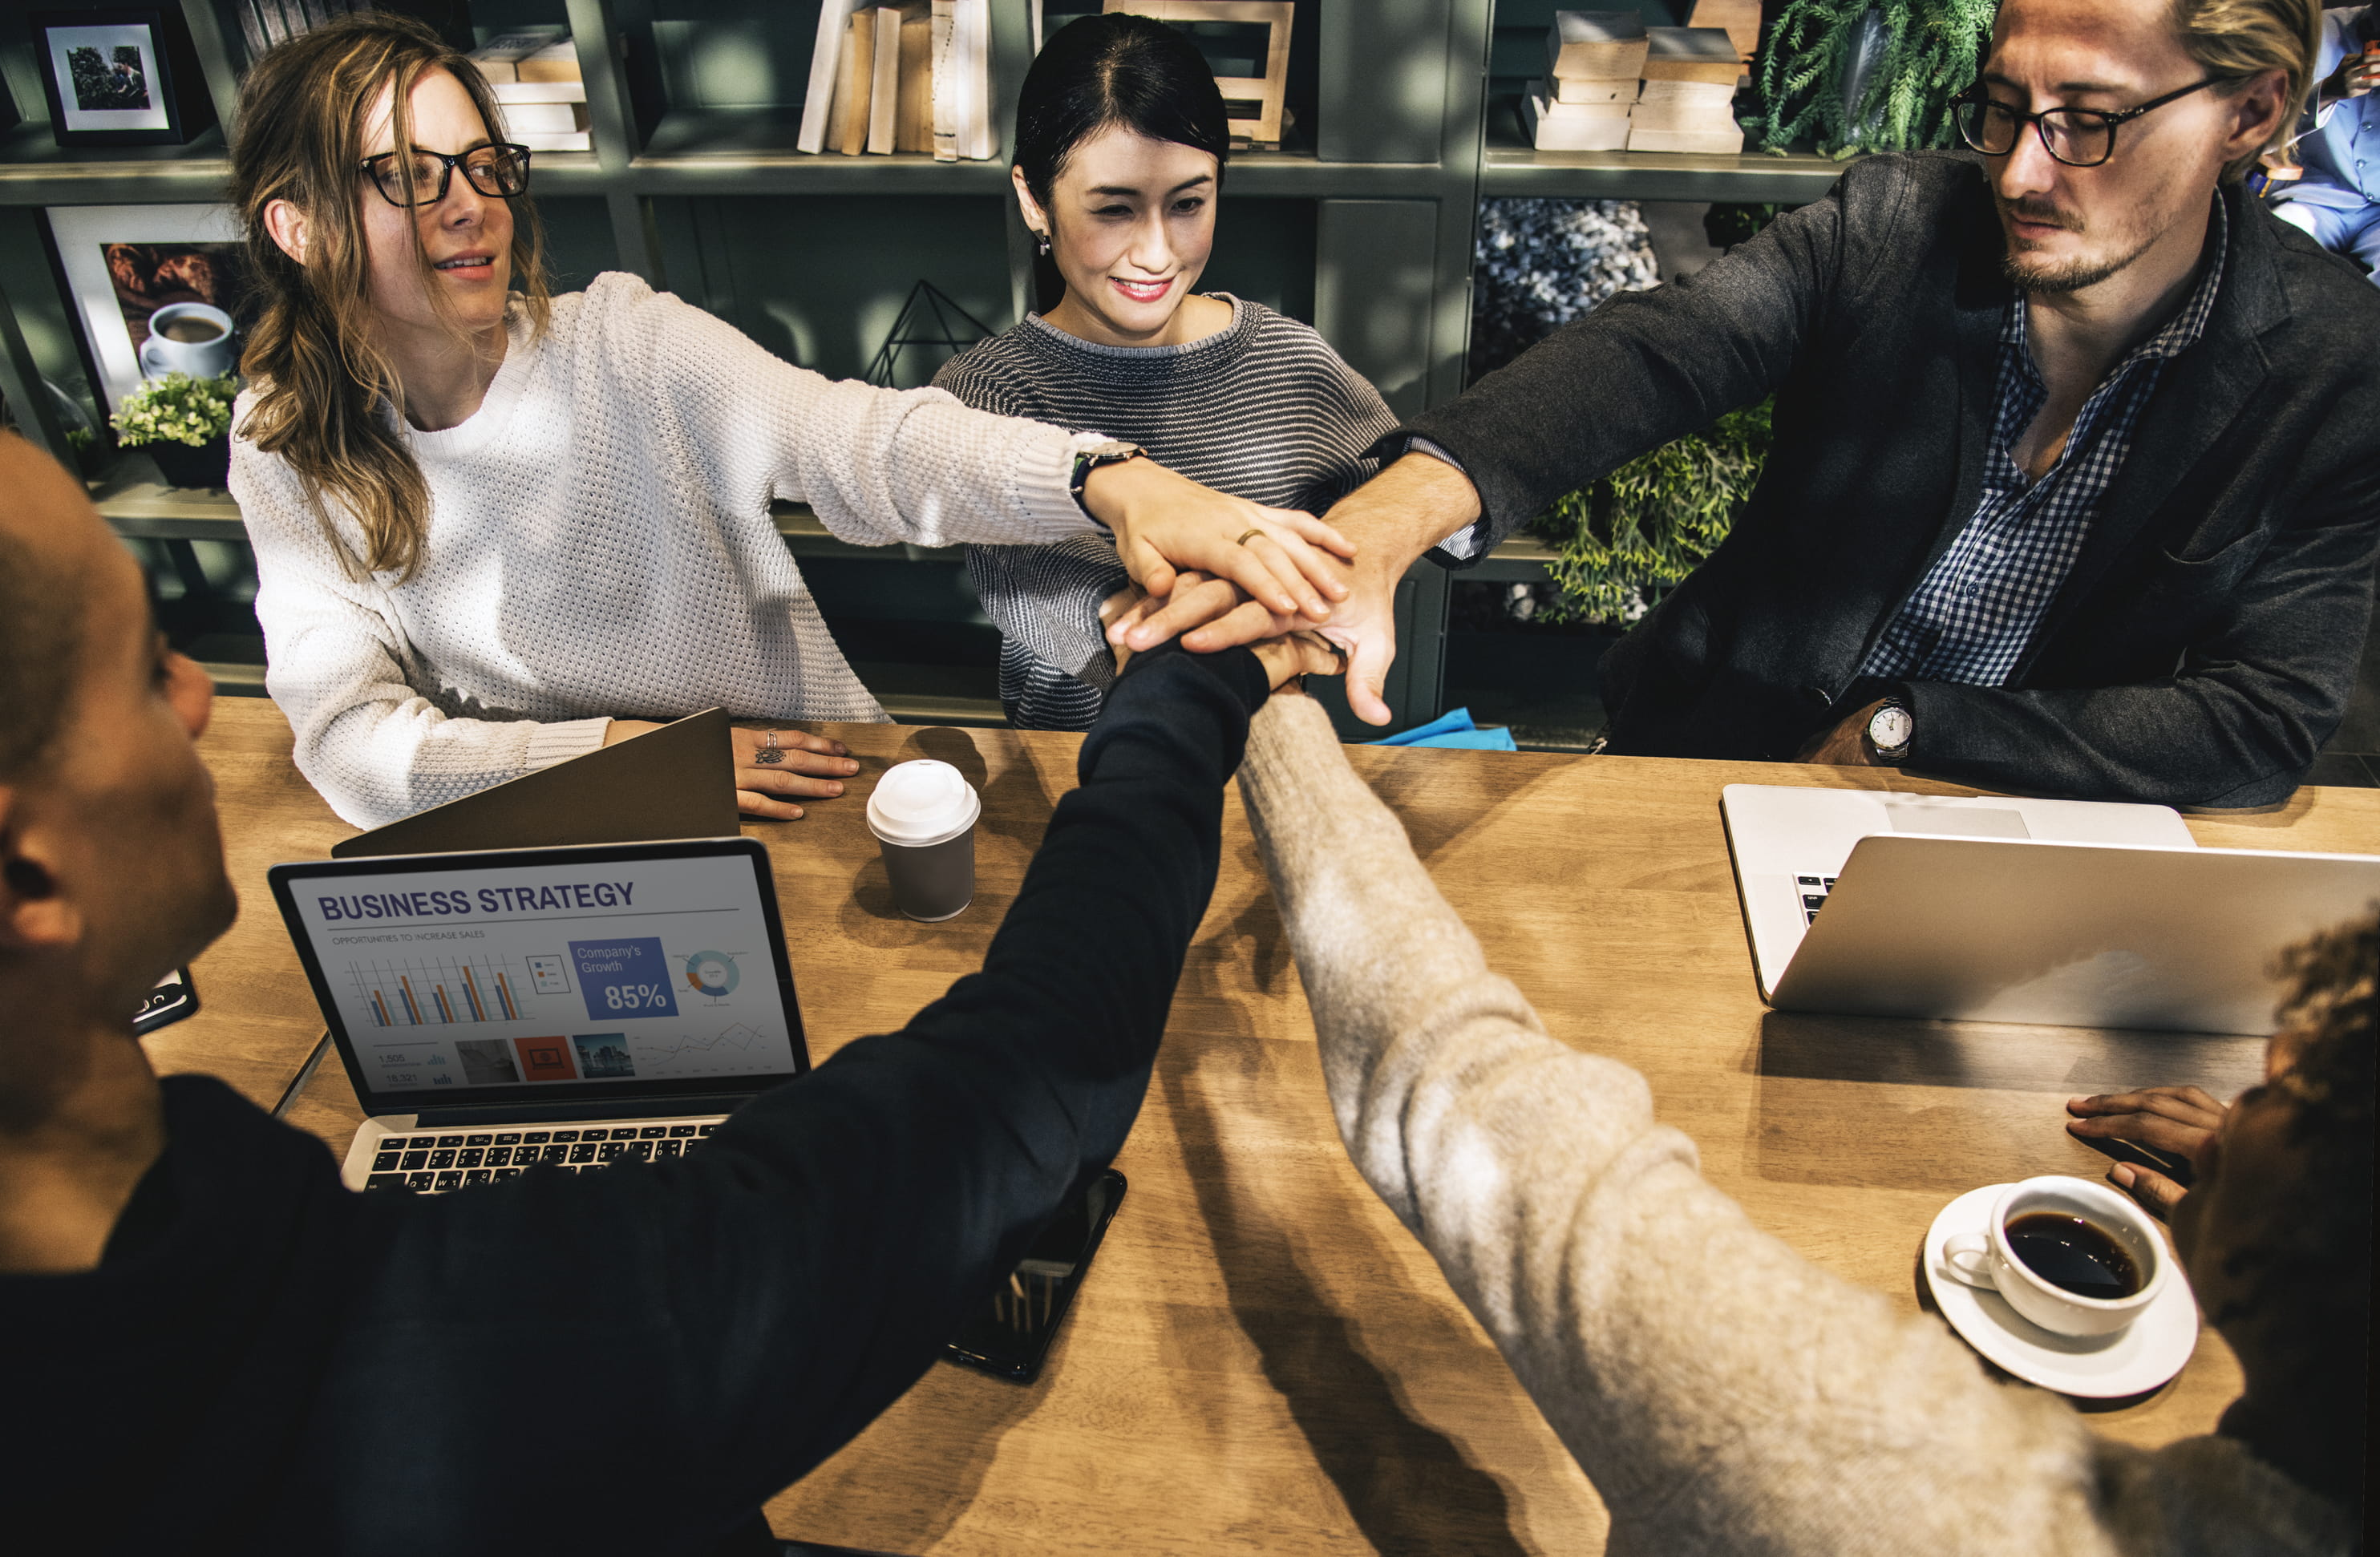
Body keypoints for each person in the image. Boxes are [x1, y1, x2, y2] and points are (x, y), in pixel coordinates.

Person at [0, 415, 1340, 1552]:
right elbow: (1028, 1074)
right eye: (140, 669)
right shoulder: (461, 1367)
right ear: (22, 876)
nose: (199, 695)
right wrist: (1180, 695)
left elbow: (851, 431)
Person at [1121, 0, 2380, 809]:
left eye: (2089, 123)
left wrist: (1904, 730)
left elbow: (2267, 716)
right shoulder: (1897, 220)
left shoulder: (2332, 362)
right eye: (2003, 106)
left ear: (2251, 112)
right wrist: (1380, 532)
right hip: (1711, 771)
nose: (2020, 169)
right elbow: (1657, 352)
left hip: (2022, 827)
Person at [1233, 684, 2370, 1551]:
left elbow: (1466, 1101)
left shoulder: (1883, 1483)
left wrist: (1272, 711)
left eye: (2308, 1091)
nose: (2269, 1058)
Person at [225, 12, 1354, 828]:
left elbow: (858, 442)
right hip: (572, 827)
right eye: (408, 176)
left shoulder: (624, 338)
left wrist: (1106, 476)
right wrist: (632, 764)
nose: (472, 202)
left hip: (807, 788)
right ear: (300, 226)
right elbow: (349, 744)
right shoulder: (282, 442)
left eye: (482, 161)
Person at [933, 12, 1397, 730]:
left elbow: (1389, 509)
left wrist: (1328, 613)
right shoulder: (988, 395)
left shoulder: (1291, 360)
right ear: (1034, 199)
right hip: (1071, 768)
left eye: (1187, 204)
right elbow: (1046, 587)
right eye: (1114, 210)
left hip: (1270, 758)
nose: (1156, 253)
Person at [2270, 6, 2380, 281]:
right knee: (2266, 260)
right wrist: (2328, 92)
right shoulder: (2316, 35)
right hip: (2317, 196)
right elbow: (2259, 135)